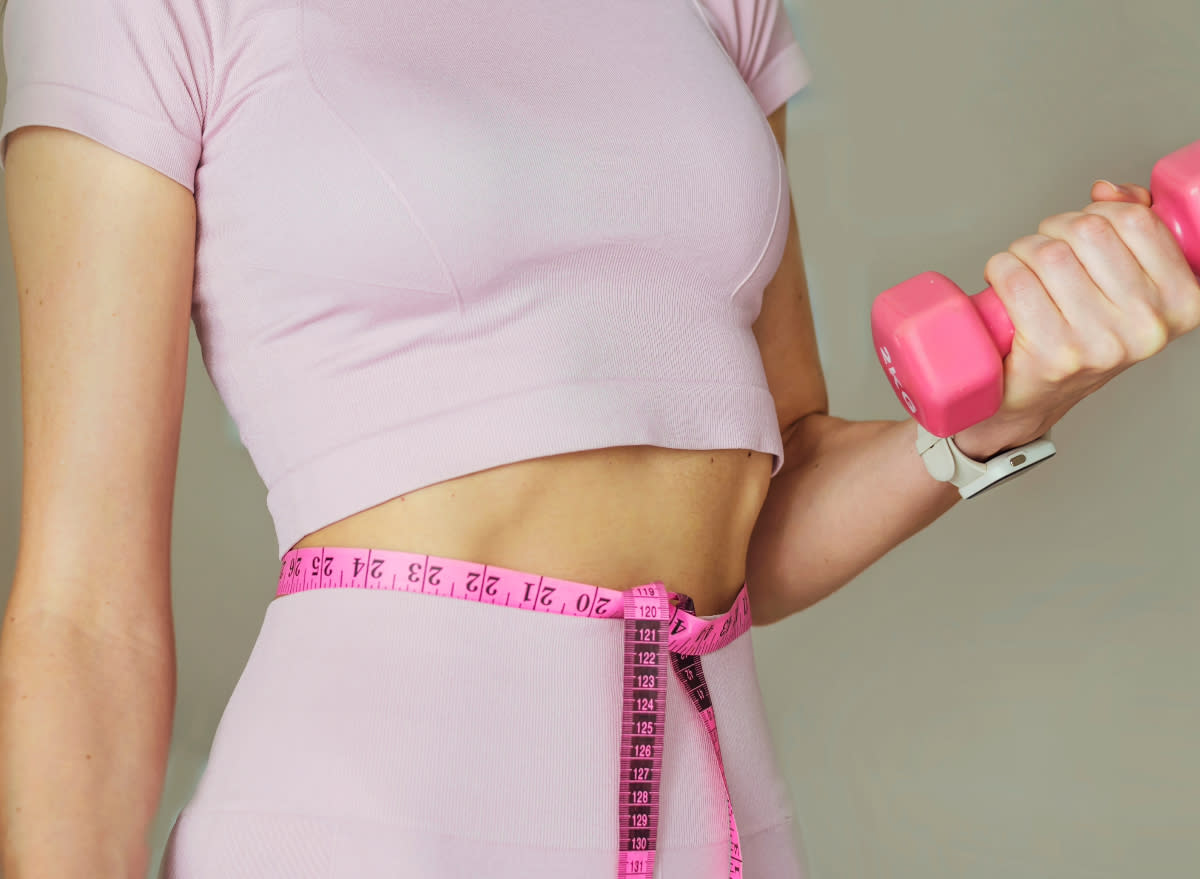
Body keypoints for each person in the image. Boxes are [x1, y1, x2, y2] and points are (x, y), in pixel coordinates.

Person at [1, 0, 1197, 875]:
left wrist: (1006, 408)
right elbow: (83, 611)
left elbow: (762, 496)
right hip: (373, 825)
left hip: (720, 822)